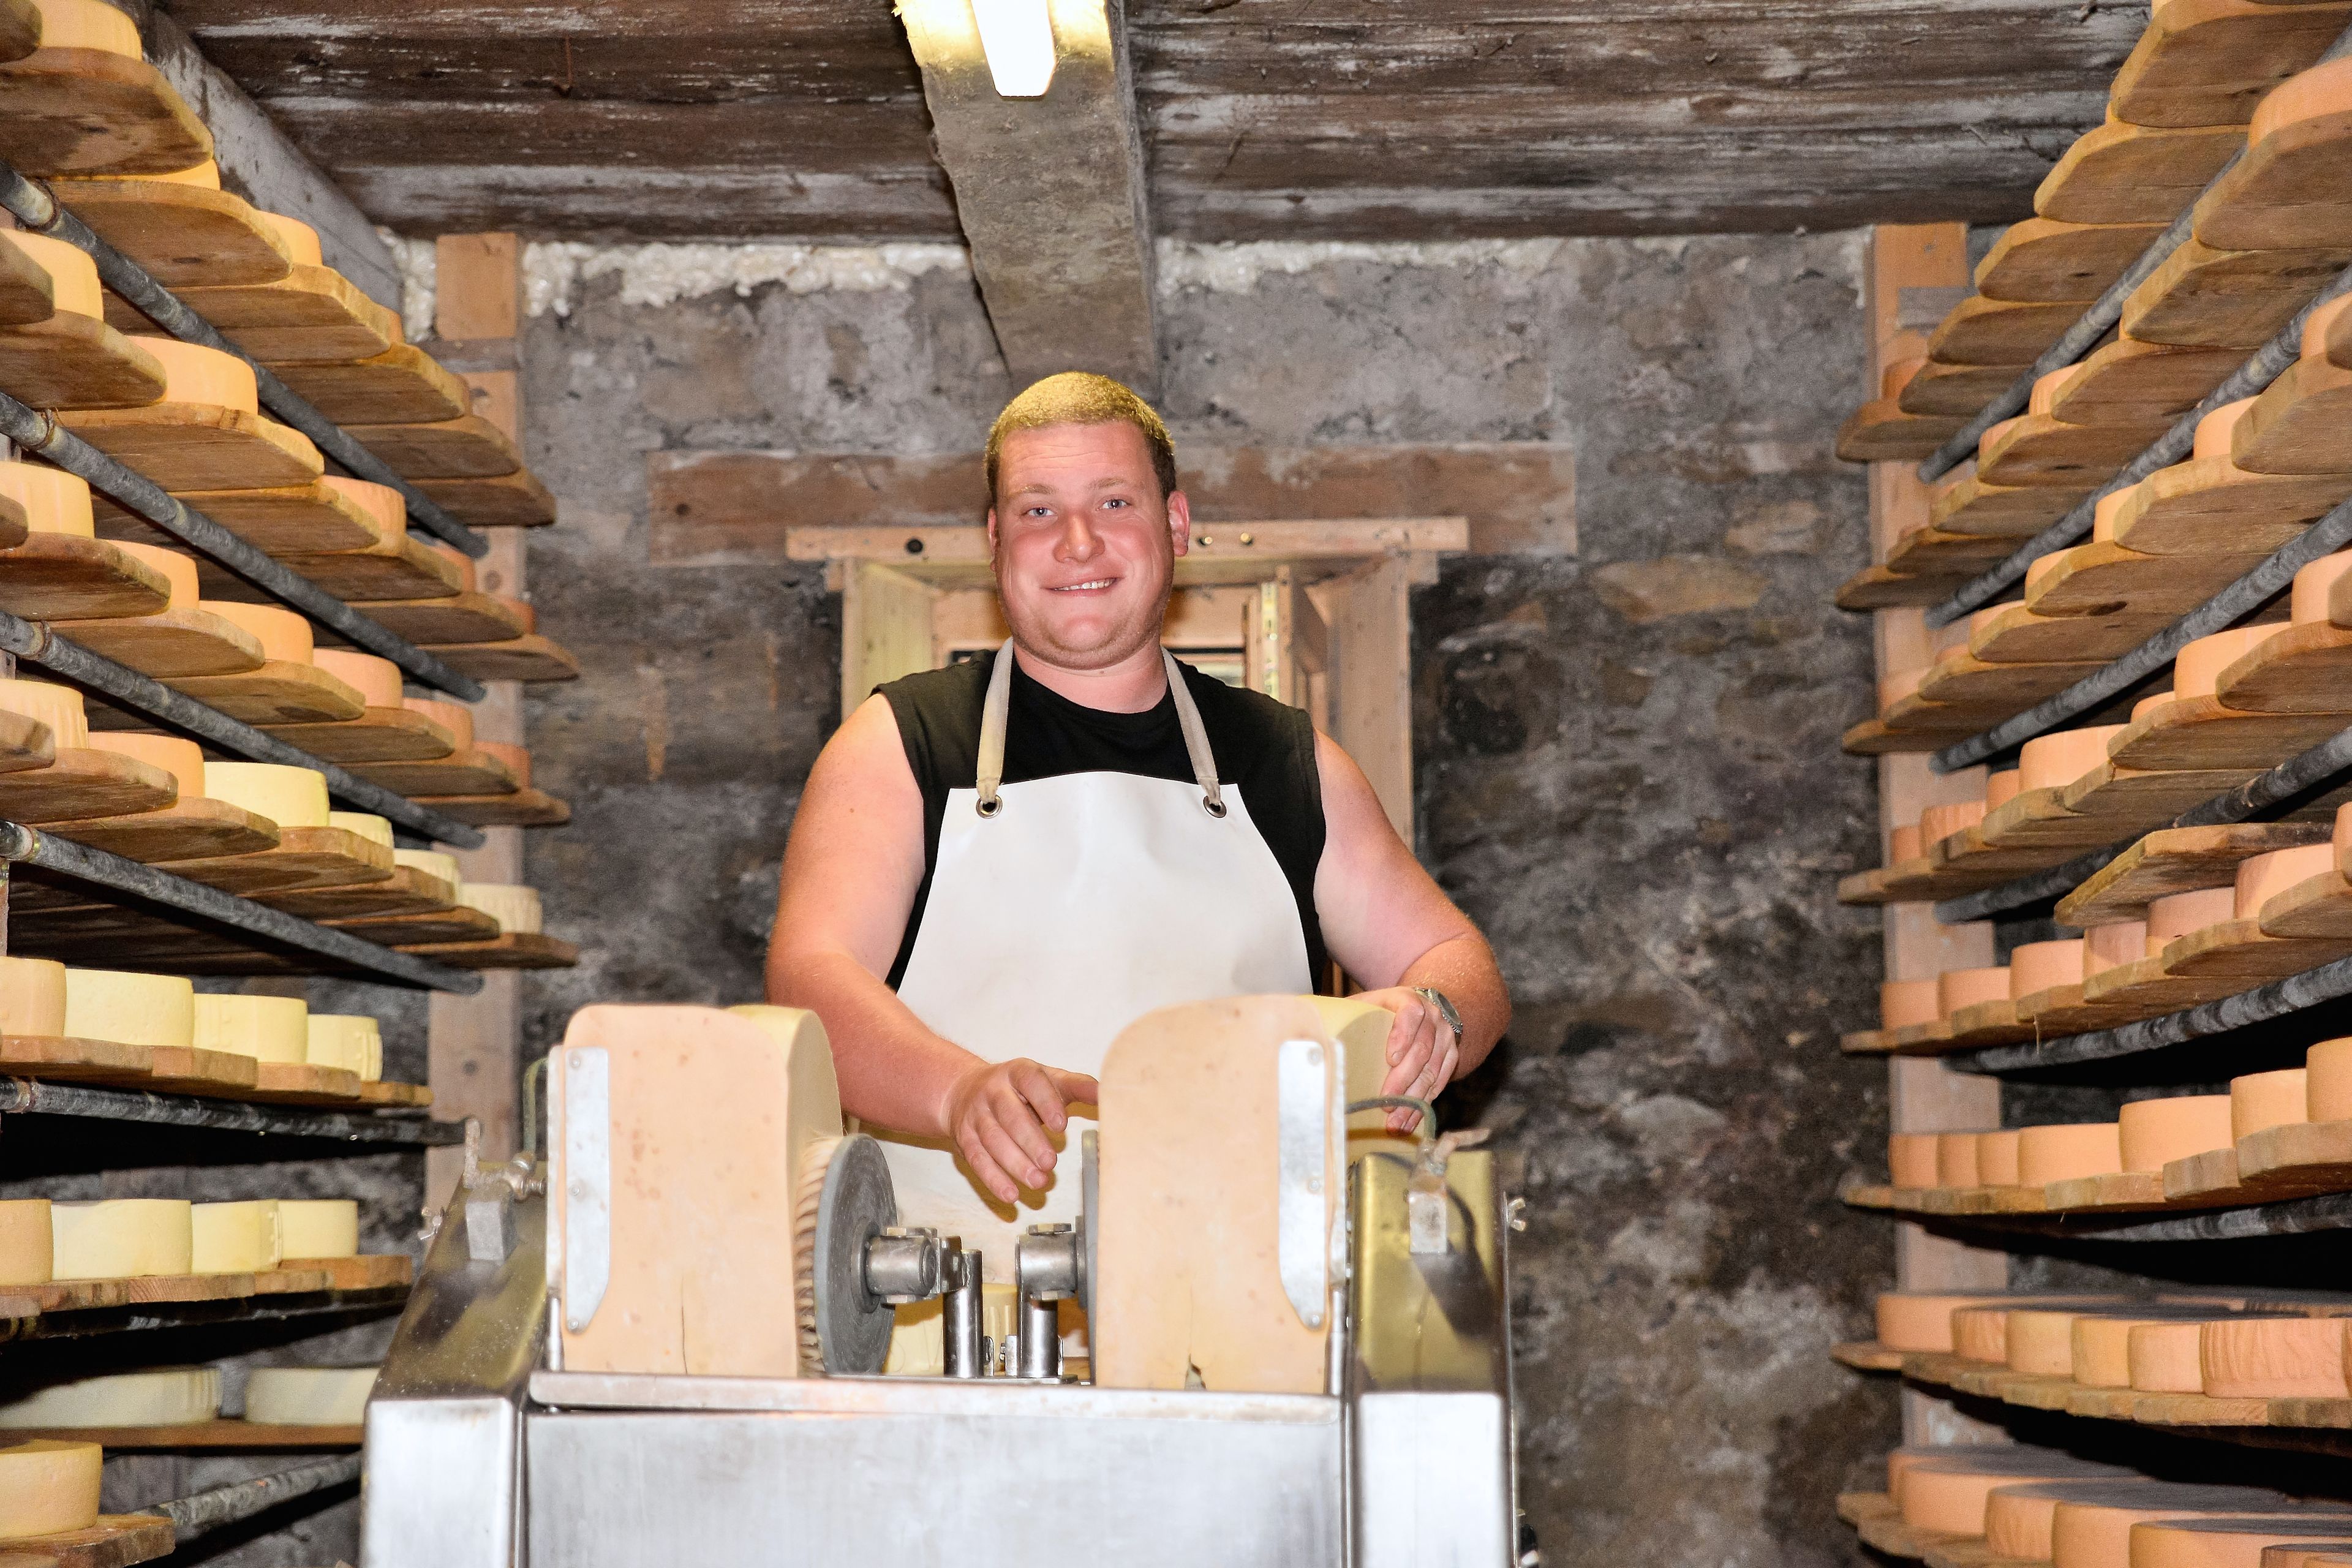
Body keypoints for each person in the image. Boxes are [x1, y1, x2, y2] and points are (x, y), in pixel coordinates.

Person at [766, 371, 1509, 1281]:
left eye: (1113, 502)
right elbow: (811, 978)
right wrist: (957, 1093)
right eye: (1038, 510)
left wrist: (1435, 1015)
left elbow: (1457, 960)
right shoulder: (900, 744)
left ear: (1176, 524)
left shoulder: (1283, 760)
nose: (1077, 541)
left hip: (1241, 1306)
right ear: (996, 541)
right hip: (950, 1305)